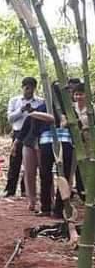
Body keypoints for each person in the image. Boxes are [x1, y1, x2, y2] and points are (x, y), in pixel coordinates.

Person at [4, 77, 44, 198]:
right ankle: (10, 189)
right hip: (18, 133)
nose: (28, 91)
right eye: (26, 88)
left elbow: (42, 117)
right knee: (14, 162)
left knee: (30, 163)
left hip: (32, 134)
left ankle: (25, 189)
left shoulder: (40, 102)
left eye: (31, 88)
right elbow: (10, 118)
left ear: (34, 88)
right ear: (22, 88)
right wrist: (21, 110)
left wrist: (32, 111)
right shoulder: (14, 101)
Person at [39, 82, 74, 218]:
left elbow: (35, 128)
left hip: (47, 143)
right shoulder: (69, 108)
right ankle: (58, 209)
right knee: (63, 175)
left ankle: (47, 207)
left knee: (46, 175)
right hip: (63, 143)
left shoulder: (42, 107)